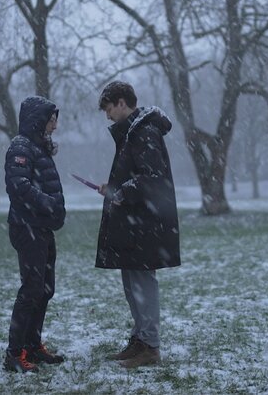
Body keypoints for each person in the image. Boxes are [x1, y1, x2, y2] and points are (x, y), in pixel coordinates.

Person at [95, 80, 181, 369]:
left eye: (108, 108)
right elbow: (138, 176)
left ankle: (150, 346)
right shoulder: (132, 132)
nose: (107, 115)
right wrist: (115, 187)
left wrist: (123, 191)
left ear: (121, 102)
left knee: (143, 284)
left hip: (145, 224)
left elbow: (151, 177)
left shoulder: (143, 132)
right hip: (135, 223)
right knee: (132, 284)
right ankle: (139, 340)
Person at [2, 96, 66, 373]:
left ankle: (32, 345)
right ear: (38, 119)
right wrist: (48, 203)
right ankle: (14, 353)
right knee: (31, 290)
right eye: (52, 118)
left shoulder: (38, 147)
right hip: (27, 228)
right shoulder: (21, 147)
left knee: (45, 289)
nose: (55, 124)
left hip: (41, 228)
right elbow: (18, 185)